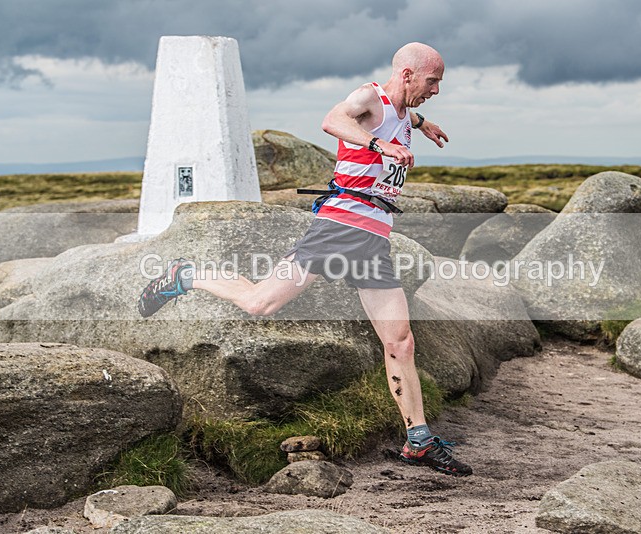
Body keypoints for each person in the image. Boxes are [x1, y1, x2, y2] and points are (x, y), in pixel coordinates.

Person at [137, 42, 472, 477]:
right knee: (261, 303)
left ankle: (419, 441)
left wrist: (421, 122)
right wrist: (379, 145)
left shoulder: (405, 112)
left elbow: (402, 113)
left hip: (372, 240)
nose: (437, 90)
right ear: (407, 74)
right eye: (433, 81)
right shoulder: (369, 98)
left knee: (400, 342)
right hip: (337, 228)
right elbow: (332, 120)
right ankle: (187, 275)